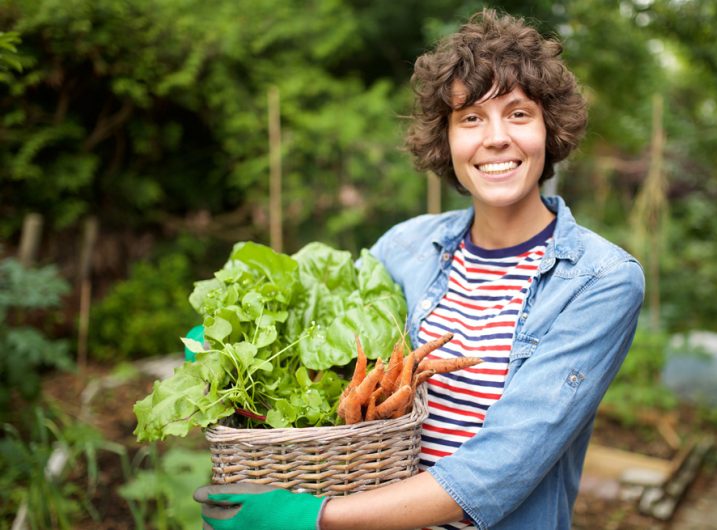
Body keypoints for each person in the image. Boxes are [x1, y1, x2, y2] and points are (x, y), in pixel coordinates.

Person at [198, 8, 644, 530]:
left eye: (518, 114)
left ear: (550, 130)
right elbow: (330, 357)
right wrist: (241, 340)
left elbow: (497, 471)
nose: (495, 137)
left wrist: (313, 516)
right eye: (471, 118)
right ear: (447, 139)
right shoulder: (406, 245)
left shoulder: (600, 279)